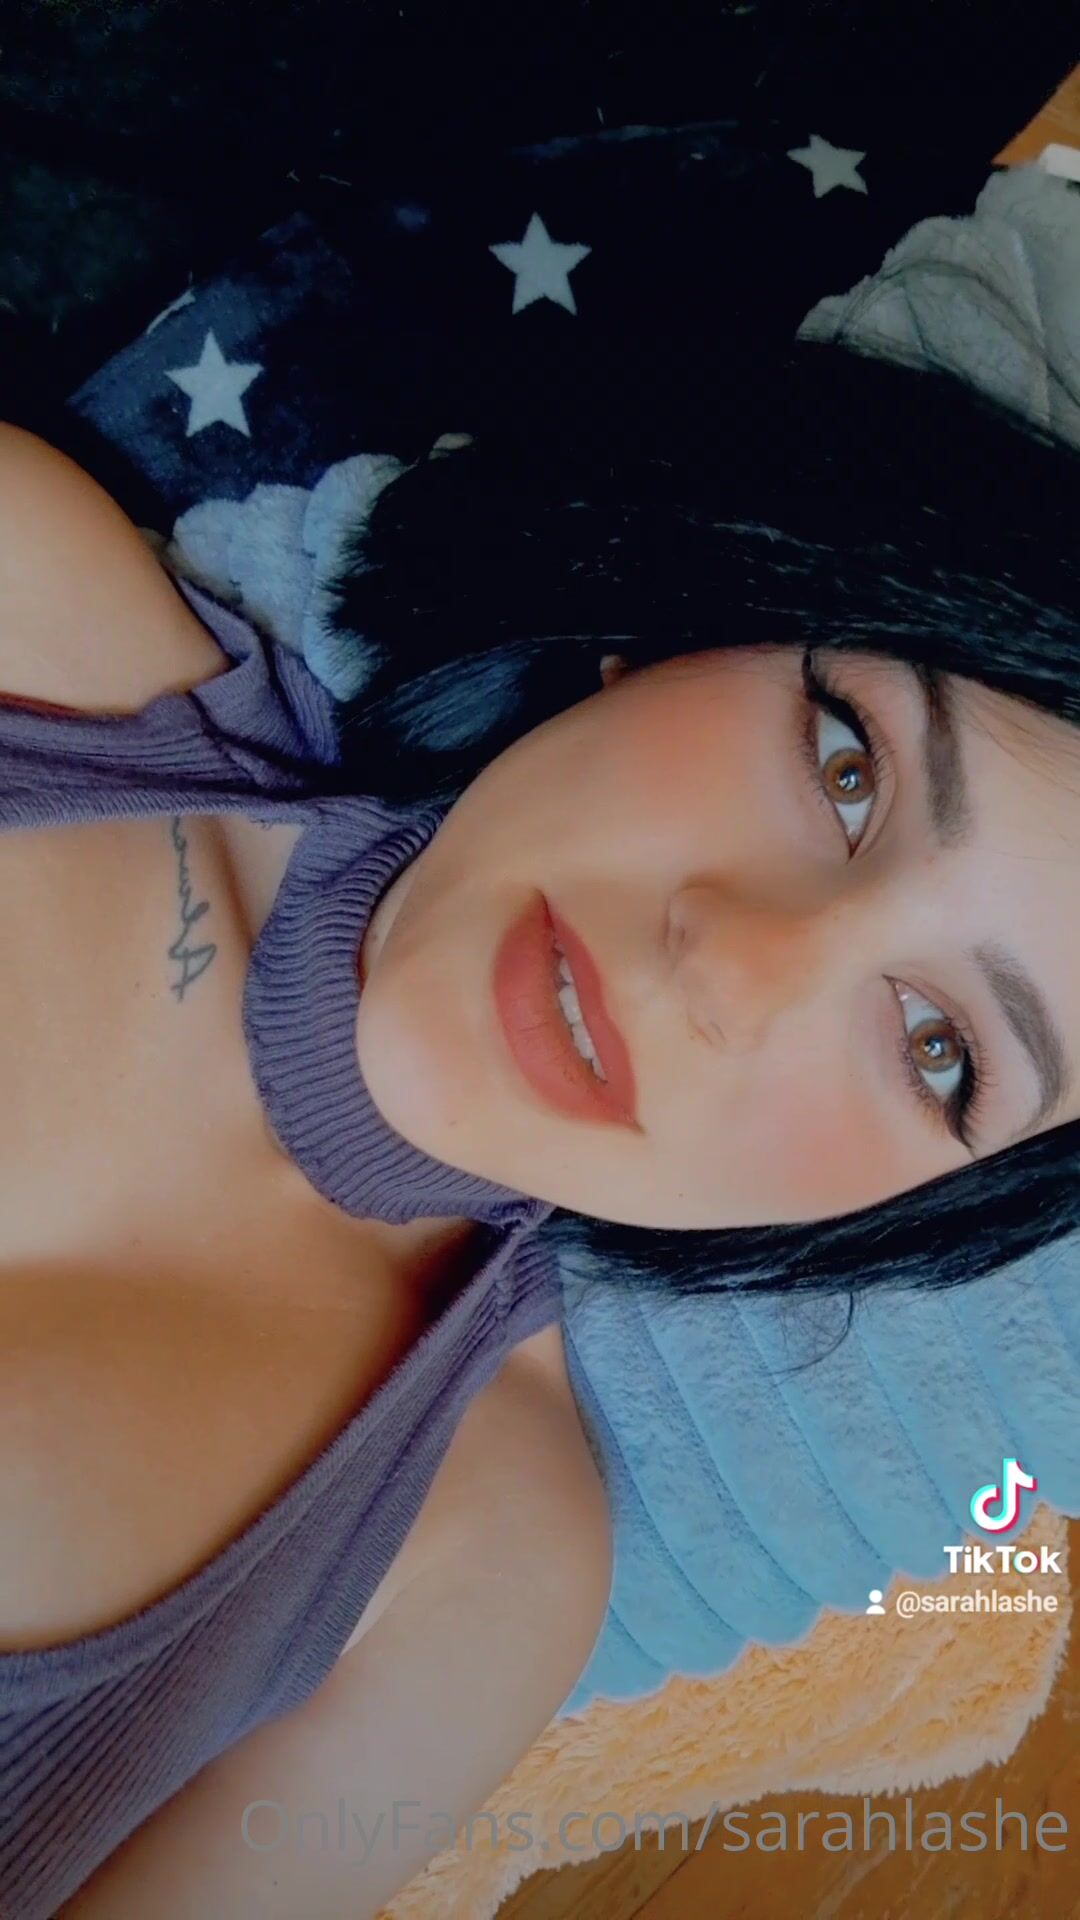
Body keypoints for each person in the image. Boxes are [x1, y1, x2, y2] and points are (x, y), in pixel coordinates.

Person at [1, 336, 1079, 1918]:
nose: (733, 969)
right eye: (848, 766)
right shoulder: (35, 610)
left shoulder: (489, 1570)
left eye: (939, 1052)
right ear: (680, 625)